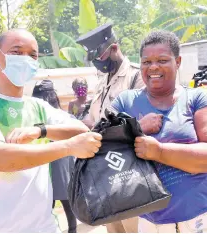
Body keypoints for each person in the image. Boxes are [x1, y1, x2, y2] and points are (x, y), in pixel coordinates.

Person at [0, 29, 102, 233]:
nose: (25, 59)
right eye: (16, 52)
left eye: (32, 55)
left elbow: (80, 130)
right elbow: (0, 159)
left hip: (45, 226)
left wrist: (41, 131)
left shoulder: (38, 107)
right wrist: (68, 147)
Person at [110, 30, 207, 233]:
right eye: (146, 62)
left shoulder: (197, 99)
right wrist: (138, 128)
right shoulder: (126, 102)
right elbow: (99, 143)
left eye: (162, 60)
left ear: (178, 62)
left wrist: (159, 152)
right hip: (150, 222)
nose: (153, 67)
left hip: (200, 219)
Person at [75, 22, 145, 233]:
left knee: (133, 227)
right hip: (105, 171)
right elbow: (93, 117)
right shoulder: (103, 80)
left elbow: (140, 123)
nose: (97, 63)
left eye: (100, 57)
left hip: (129, 172)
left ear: (114, 48)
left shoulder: (136, 77)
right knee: (114, 229)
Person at [32, 79, 77, 233]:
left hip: (54, 162)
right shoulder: (55, 114)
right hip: (53, 163)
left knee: (58, 204)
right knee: (60, 204)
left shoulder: (55, 115)